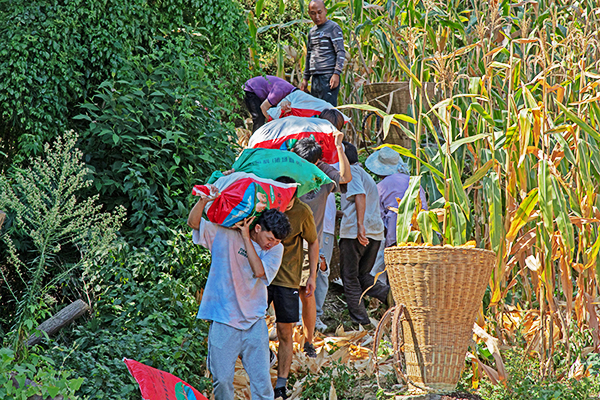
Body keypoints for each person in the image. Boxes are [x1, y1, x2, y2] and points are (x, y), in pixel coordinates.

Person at [188, 189, 291, 400]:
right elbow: (193, 223)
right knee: (222, 379)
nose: (272, 244)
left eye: (277, 241)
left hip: (254, 321)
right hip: (223, 319)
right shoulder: (225, 234)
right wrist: (203, 200)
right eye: (270, 238)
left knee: (262, 382)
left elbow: (259, 271)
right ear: (258, 228)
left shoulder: (275, 249)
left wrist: (245, 237)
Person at [292, 110, 352, 333]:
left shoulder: (324, 173)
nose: (306, 169)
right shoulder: (289, 170)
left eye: (311, 165)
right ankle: (291, 323)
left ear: (318, 162)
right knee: (289, 283)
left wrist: (339, 147)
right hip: (287, 239)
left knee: (312, 281)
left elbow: (345, 178)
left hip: (312, 239)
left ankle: (309, 325)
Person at [268, 177, 319, 400]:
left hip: (287, 277)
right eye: (281, 199)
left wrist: (312, 276)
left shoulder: (302, 212)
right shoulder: (265, 205)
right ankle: (265, 357)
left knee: (285, 331)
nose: (285, 204)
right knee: (250, 322)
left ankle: (281, 383)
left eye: (289, 200)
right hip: (263, 274)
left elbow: (313, 241)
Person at [338, 141, 391, 326]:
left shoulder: (352, 172)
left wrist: (360, 226)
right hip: (374, 232)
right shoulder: (364, 174)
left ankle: (361, 322)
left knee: (349, 277)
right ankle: (390, 296)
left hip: (356, 232)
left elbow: (359, 195)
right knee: (363, 276)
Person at [365, 147, 428, 282]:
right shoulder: (415, 182)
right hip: (422, 234)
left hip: (396, 235)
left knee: (396, 277)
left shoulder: (380, 187)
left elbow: (378, 220)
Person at [299, 0, 345, 106]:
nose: (317, 17)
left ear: (325, 11)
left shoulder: (333, 28)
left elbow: (340, 51)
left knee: (328, 110)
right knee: (316, 110)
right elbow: (309, 55)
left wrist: (336, 73)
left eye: (320, 12)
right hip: (315, 78)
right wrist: (305, 79)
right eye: (313, 13)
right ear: (309, 14)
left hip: (328, 77)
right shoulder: (312, 32)